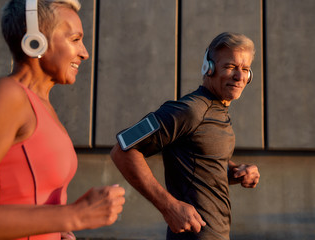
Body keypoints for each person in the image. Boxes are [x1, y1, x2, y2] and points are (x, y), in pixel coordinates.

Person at [0, 0, 125, 239]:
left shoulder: (42, 107)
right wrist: (76, 215)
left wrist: (59, 231)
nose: (85, 53)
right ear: (35, 40)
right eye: (75, 39)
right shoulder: (6, 95)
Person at [111, 32, 260, 240]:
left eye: (245, 69)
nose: (239, 76)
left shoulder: (218, 111)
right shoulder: (189, 110)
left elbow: (201, 161)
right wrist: (168, 206)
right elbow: (123, 148)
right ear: (209, 68)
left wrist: (236, 171)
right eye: (230, 67)